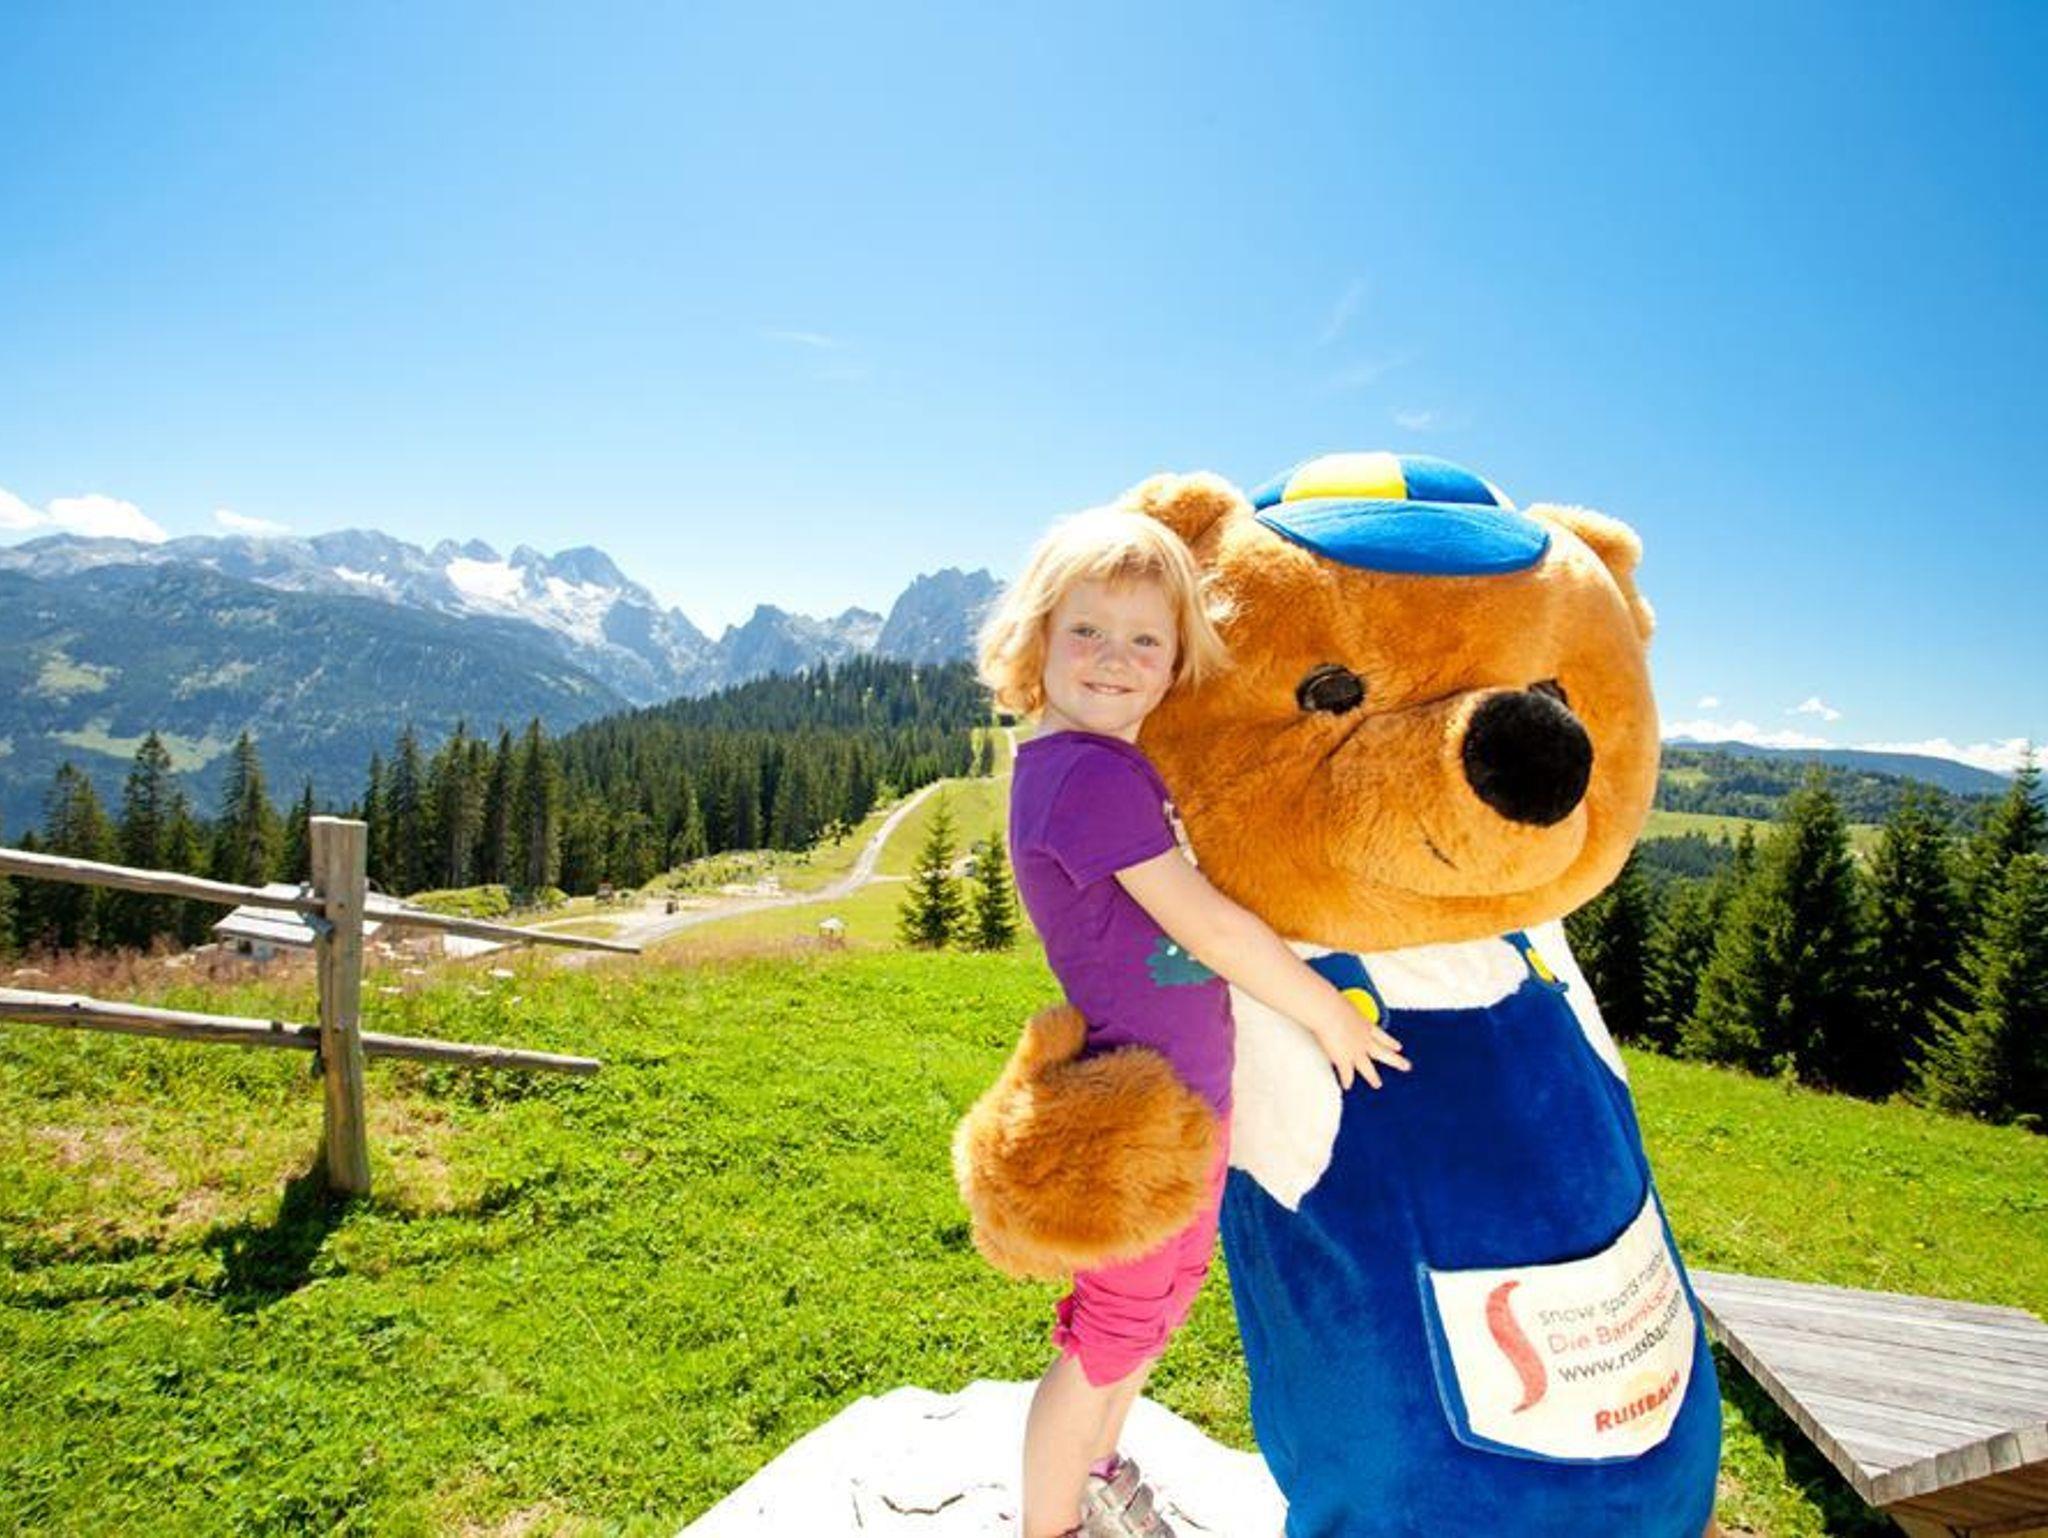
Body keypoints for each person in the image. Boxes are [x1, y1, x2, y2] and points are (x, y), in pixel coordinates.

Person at [977, 504, 1412, 1538]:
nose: (1113, 658)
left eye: (1145, 639)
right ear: (1036, 639)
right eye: (1087, 630)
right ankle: (1051, 1524)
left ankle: (1094, 1470)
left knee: (1146, 1315)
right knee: (1108, 1332)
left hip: (1171, 1101)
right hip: (1139, 1117)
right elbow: (1207, 926)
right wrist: (1328, 1015)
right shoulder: (1086, 776)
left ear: (1176, 661)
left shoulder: (1096, 764)